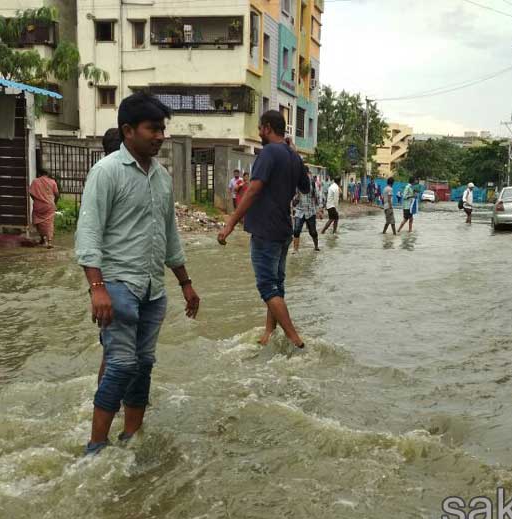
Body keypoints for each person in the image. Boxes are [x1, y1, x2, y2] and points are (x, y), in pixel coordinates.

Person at [75, 92, 201, 455]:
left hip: (152, 289)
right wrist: (97, 288)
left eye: (162, 128)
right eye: (153, 129)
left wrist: (186, 284)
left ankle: (131, 436)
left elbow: (169, 235)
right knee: (121, 364)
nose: (160, 136)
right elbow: (89, 233)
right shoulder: (107, 172)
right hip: (117, 286)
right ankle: (96, 445)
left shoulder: (161, 178)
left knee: (143, 365)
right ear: (128, 130)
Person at [216, 110, 310, 349]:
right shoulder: (293, 156)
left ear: (267, 127)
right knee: (276, 285)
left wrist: (231, 222)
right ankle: (269, 331)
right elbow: (306, 187)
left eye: (259, 128)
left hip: (266, 230)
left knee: (267, 286)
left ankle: (293, 337)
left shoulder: (269, 152)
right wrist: (295, 155)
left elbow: (254, 189)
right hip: (283, 230)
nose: (258, 133)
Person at [292, 165, 319, 253]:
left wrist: (320, 210)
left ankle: (316, 247)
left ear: (308, 173)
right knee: (296, 230)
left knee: (313, 232)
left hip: (310, 211)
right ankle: (295, 250)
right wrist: (296, 199)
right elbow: (294, 201)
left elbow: (317, 196)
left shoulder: (312, 183)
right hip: (299, 211)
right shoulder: (296, 183)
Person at [29, 168, 59, 248]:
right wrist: (54, 203)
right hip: (49, 205)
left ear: (39, 174)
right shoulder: (52, 182)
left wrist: (36, 200)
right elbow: (57, 194)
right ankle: (49, 241)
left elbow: (31, 193)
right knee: (49, 223)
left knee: (38, 221)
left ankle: (42, 239)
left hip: (38, 205)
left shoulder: (35, 181)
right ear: (47, 174)